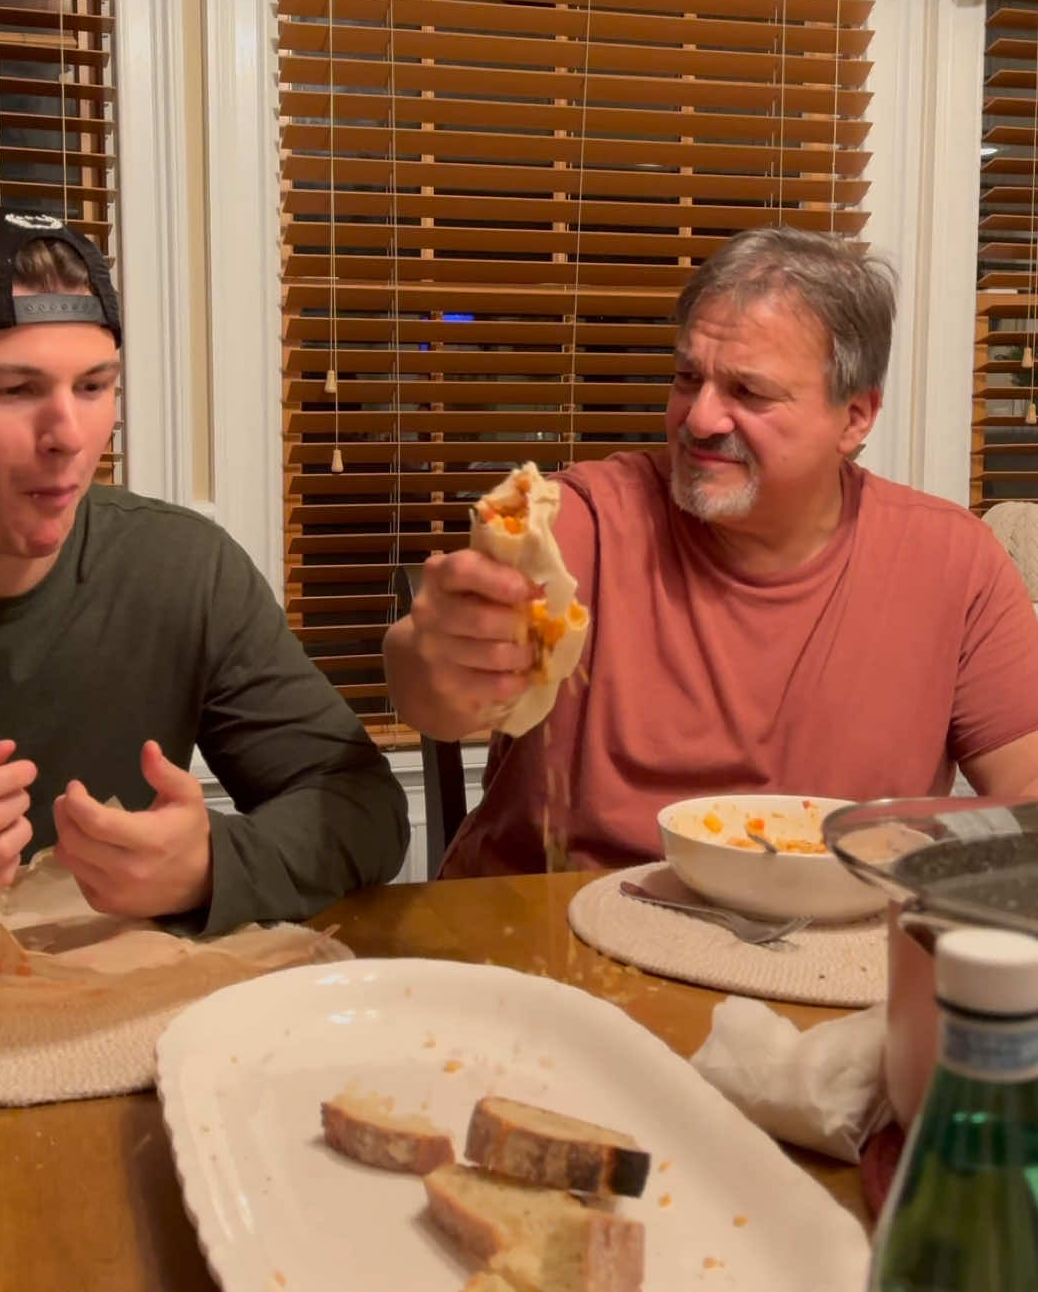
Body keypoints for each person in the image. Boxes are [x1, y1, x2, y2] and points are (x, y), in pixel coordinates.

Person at [382, 227, 1038, 877]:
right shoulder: (579, 524)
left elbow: (1027, 797)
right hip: (557, 933)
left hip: (829, 950)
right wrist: (435, 655)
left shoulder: (952, 563)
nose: (699, 419)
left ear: (855, 417)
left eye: (748, 392)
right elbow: (426, 686)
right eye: (687, 376)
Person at [0, 203, 409, 934]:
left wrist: (214, 864)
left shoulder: (180, 569)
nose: (69, 437)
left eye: (93, 386)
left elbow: (361, 803)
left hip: (112, 1022)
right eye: (13, 390)